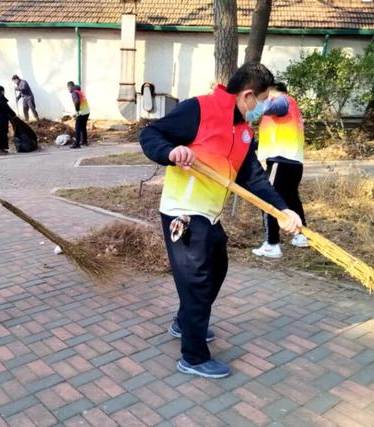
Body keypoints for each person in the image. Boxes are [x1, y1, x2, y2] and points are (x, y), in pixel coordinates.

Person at [139, 63, 302, 379]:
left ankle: (185, 321)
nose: (266, 107)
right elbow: (150, 133)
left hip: (209, 214)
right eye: (265, 100)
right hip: (184, 212)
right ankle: (194, 357)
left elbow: (253, 177)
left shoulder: (242, 130)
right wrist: (171, 152)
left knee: (219, 266)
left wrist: (282, 210)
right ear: (248, 95)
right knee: (198, 280)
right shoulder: (200, 109)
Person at [252, 82, 308, 258]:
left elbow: (267, 107)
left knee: (267, 198)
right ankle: (301, 235)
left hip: (280, 161)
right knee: (291, 199)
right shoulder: (290, 110)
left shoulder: (282, 101)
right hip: (293, 162)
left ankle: (272, 244)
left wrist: (256, 101)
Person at [0, 85, 17, 155]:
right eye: (3, 91)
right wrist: (14, 114)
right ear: (1, 91)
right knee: (2, 135)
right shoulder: (1, 99)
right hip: (0, 121)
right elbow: (7, 109)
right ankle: (0, 151)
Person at [67, 81, 90, 149]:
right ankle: (84, 141)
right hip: (87, 111)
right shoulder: (79, 91)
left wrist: (77, 110)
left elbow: (77, 101)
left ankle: (77, 144)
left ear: (69, 87)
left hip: (81, 112)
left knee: (77, 128)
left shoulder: (74, 93)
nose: (68, 90)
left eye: (68, 88)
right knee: (83, 127)